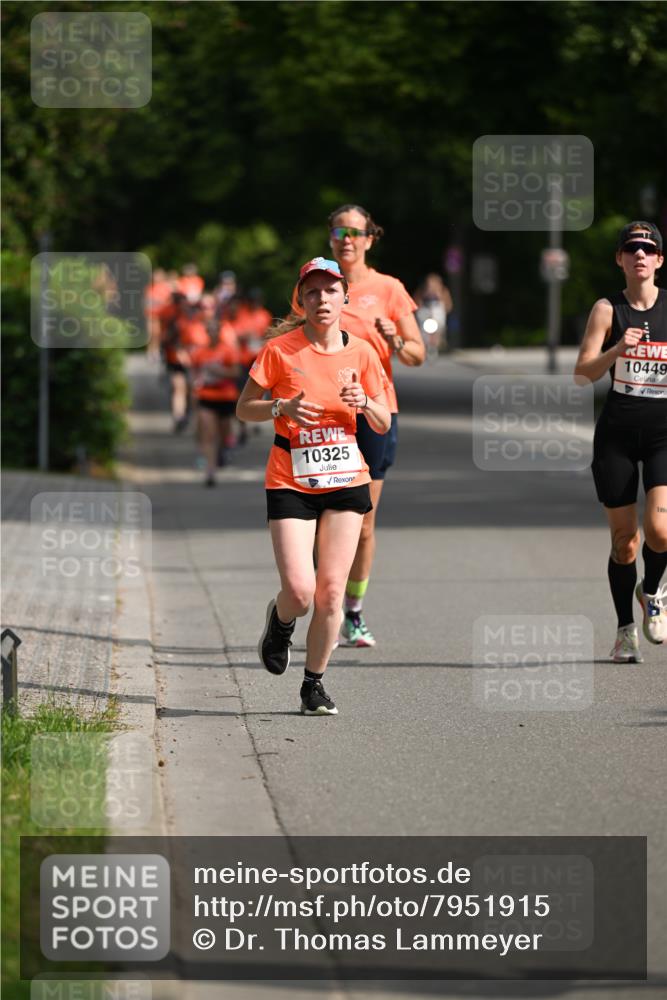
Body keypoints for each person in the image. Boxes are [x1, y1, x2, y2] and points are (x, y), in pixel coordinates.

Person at [236, 257, 390, 715]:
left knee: (329, 593)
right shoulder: (280, 351)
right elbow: (245, 408)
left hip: (346, 476)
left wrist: (365, 403)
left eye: (330, 291)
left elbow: (382, 423)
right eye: (312, 292)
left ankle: (313, 685)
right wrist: (280, 406)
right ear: (300, 301)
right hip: (291, 479)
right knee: (301, 592)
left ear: (344, 297)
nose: (322, 299)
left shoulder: (362, 352)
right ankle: (281, 621)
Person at [306, 204, 425, 648]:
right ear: (330, 237)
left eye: (355, 232)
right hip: (324, 416)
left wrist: (394, 337)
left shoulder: (389, 289)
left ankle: (352, 611)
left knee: (364, 522)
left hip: (375, 413)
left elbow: (416, 354)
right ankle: (326, 606)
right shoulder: (316, 288)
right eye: (339, 231)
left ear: (369, 239)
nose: (347, 238)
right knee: (323, 519)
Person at [574, 221, 667, 661]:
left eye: (648, 249)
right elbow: (582, 374)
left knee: (662, 531)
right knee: (624, 540)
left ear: (659, 260)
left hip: (663, 434)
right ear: (620, 259)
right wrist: (616, 351)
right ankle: (625, 630)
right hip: (617, 435)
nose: (640, 256)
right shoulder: (607, 310)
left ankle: (652, 594)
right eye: (632, 249)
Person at [189, 294, 242, 486]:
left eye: (214, 329)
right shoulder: (200, 352)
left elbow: (236, 372)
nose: (211, 332)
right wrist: (195, 386)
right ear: (206, 331)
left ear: (219, 331)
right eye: (208, 330)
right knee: (209, 434)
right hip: (206, 396)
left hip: (226, 396)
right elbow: (194, 374)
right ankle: (210, 472)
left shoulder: (227, 350)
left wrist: (219, 371)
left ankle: (225, 448)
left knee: (223, 431)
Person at [414, 272, 453, 357]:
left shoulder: (443, 291)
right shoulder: (422, 291)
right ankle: (425, 343)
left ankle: (438, 340)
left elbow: (447, 303)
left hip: (437, 309)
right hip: (425, 309)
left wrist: (445, 309)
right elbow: (417, 302)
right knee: (423, 327)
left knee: (439, 325)